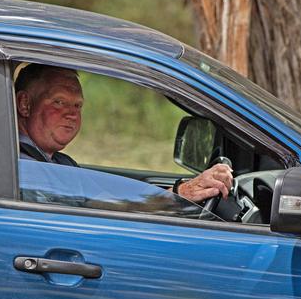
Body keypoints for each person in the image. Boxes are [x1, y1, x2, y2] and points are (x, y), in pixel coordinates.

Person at [15, 63, 233, 203]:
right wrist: (181, 194)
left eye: (77, 106)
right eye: (59, 102)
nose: (71, 114)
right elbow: (106, 208)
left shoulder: (60, 163)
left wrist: (177, 192)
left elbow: (109, 198)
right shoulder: (24, 169)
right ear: (24, 104)